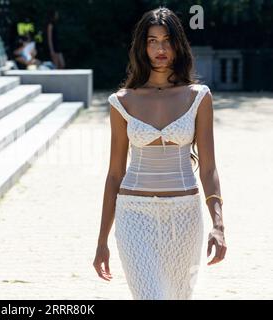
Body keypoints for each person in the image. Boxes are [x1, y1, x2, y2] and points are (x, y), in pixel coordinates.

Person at [93, 7, 227, 300]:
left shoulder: (198, 96)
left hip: (185, 216)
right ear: (142, 46)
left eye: (167, 40)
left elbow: (208, 168)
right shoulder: (121, 102)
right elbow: (115, 173)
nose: (160, 48)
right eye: (152, 41)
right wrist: (102, 240)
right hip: (134, 215)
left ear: (178, 45)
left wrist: (218, 224)